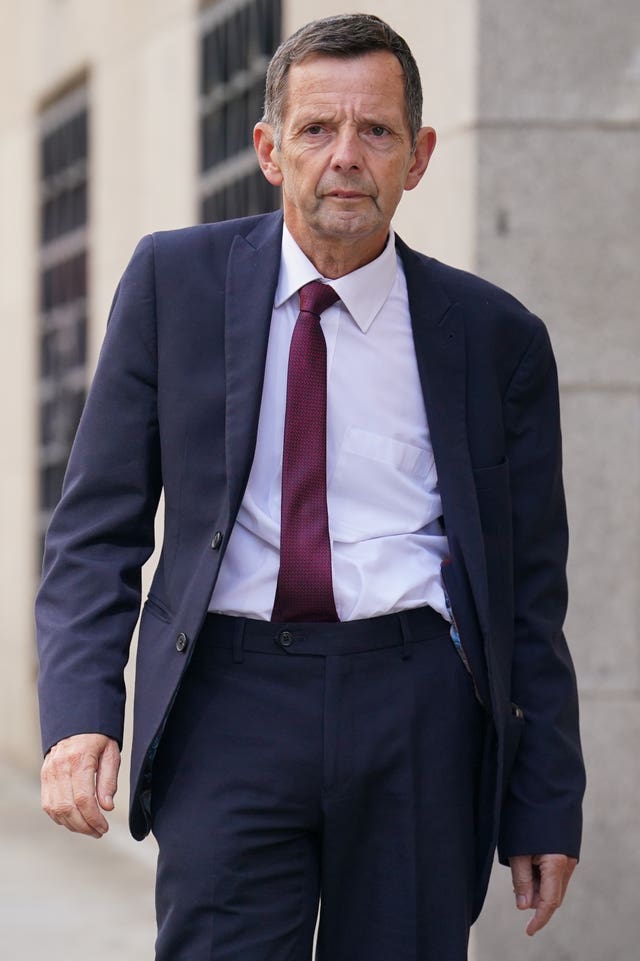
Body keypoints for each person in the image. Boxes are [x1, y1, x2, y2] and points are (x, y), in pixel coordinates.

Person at [36, 13, 585, 961]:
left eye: (376, 132)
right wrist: (81, 715)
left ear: (418, 157)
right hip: (231, 700)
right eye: (317, 130)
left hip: (419, 705)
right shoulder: (175, 283)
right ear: (268, 149)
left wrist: (544, 796)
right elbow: (97, 526)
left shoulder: (496, 338)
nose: (345, 157)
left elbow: (529, 589)